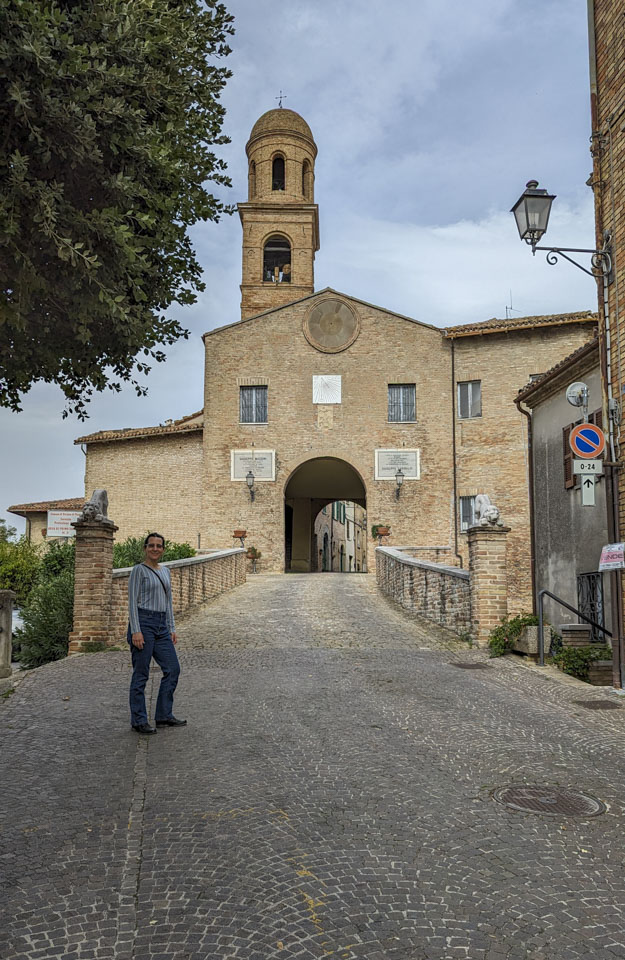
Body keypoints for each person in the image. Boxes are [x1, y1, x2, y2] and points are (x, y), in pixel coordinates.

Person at [127, 533, 186, 734]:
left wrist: (172, 627)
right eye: (151, 545)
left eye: (158, 546)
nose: (155, 549)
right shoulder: (138, 571)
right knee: (141, 674)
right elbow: (132, 604)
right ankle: (139, 720)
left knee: (173, 669)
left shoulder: (166, 572)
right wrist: (136, 630)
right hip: (143, 623)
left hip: (161, 626)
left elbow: (168, 602)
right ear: (145, 548)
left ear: (163, 549)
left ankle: (163, 715)